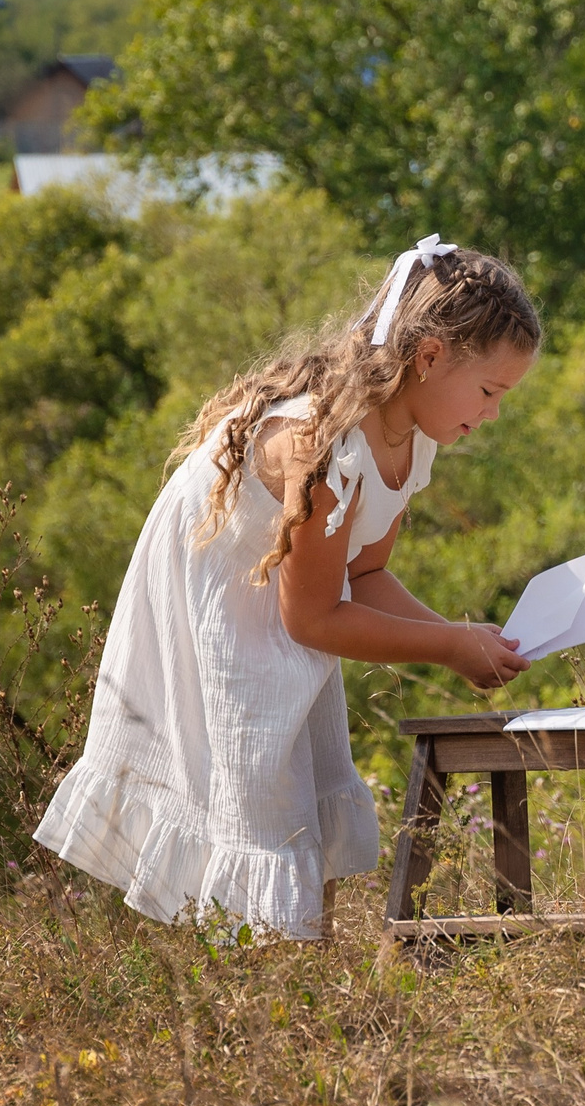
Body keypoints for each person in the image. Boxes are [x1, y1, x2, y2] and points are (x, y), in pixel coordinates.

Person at [35, 237, 541, 940]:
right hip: (223, 595)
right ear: (428, 358)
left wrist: (464, 638)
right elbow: (313, 617)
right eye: (489, 392)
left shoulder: (413, 436)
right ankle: (259, 978)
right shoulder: (324, 444)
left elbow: (364, 576)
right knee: (259, 801)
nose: (492, 414)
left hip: (293, 598)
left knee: (305, 794)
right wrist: (448, 646)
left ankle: (302, 977)